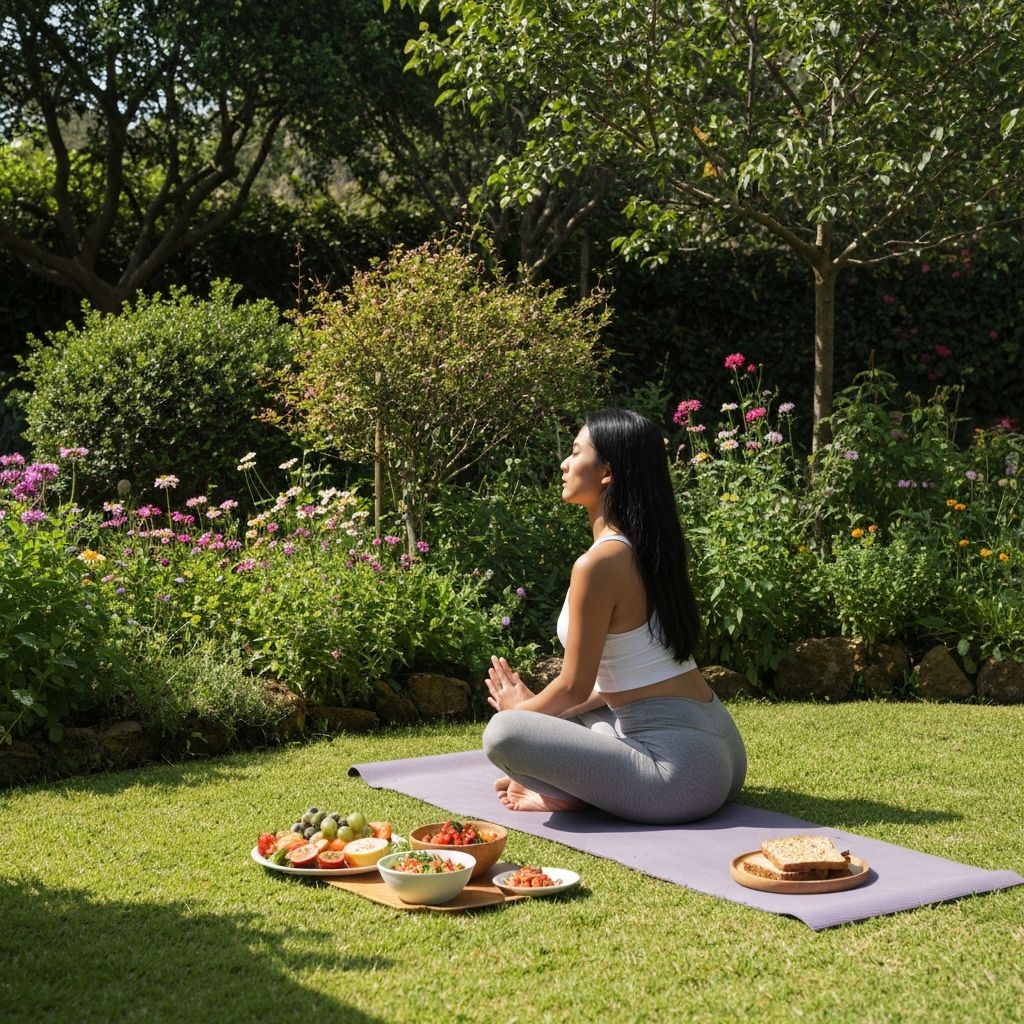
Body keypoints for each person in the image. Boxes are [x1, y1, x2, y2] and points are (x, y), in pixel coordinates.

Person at [482, 408, 746, 824]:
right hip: (721, 749)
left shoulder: (599, 564)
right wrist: (537, 715)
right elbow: (606, 688)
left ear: (606, 472)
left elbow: (572, 687)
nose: (565, 464)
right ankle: (571, 783)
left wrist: (518, 711)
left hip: (678, 776)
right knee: (573, 717)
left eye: (575, 452)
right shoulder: (649, 550)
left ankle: (568, 793)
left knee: (503, 735)